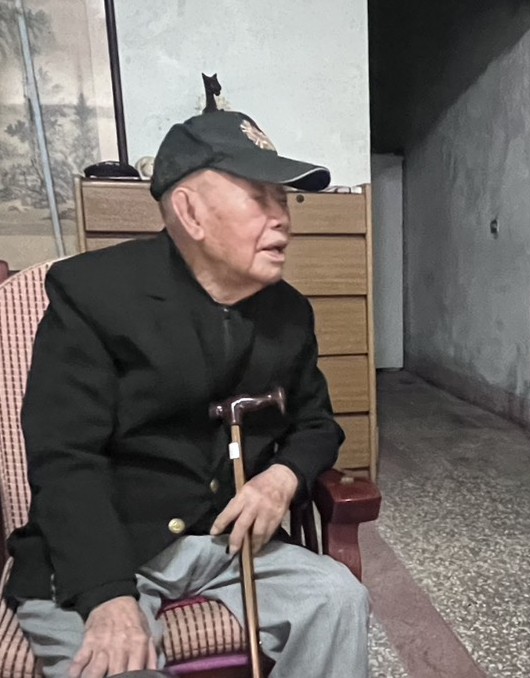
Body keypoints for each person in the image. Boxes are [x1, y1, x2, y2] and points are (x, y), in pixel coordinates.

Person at [7, 110, 371, 678]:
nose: (283, 219)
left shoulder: (289, 312)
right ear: (191, 212)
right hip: (111, 545)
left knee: (337, 597)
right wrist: (107, 596)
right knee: (115, 662)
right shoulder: (95, 296)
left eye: (284, 200)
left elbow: (317, 424)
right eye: (260, 198)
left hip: (228, 543)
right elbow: (65, 459)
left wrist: (283, 477)